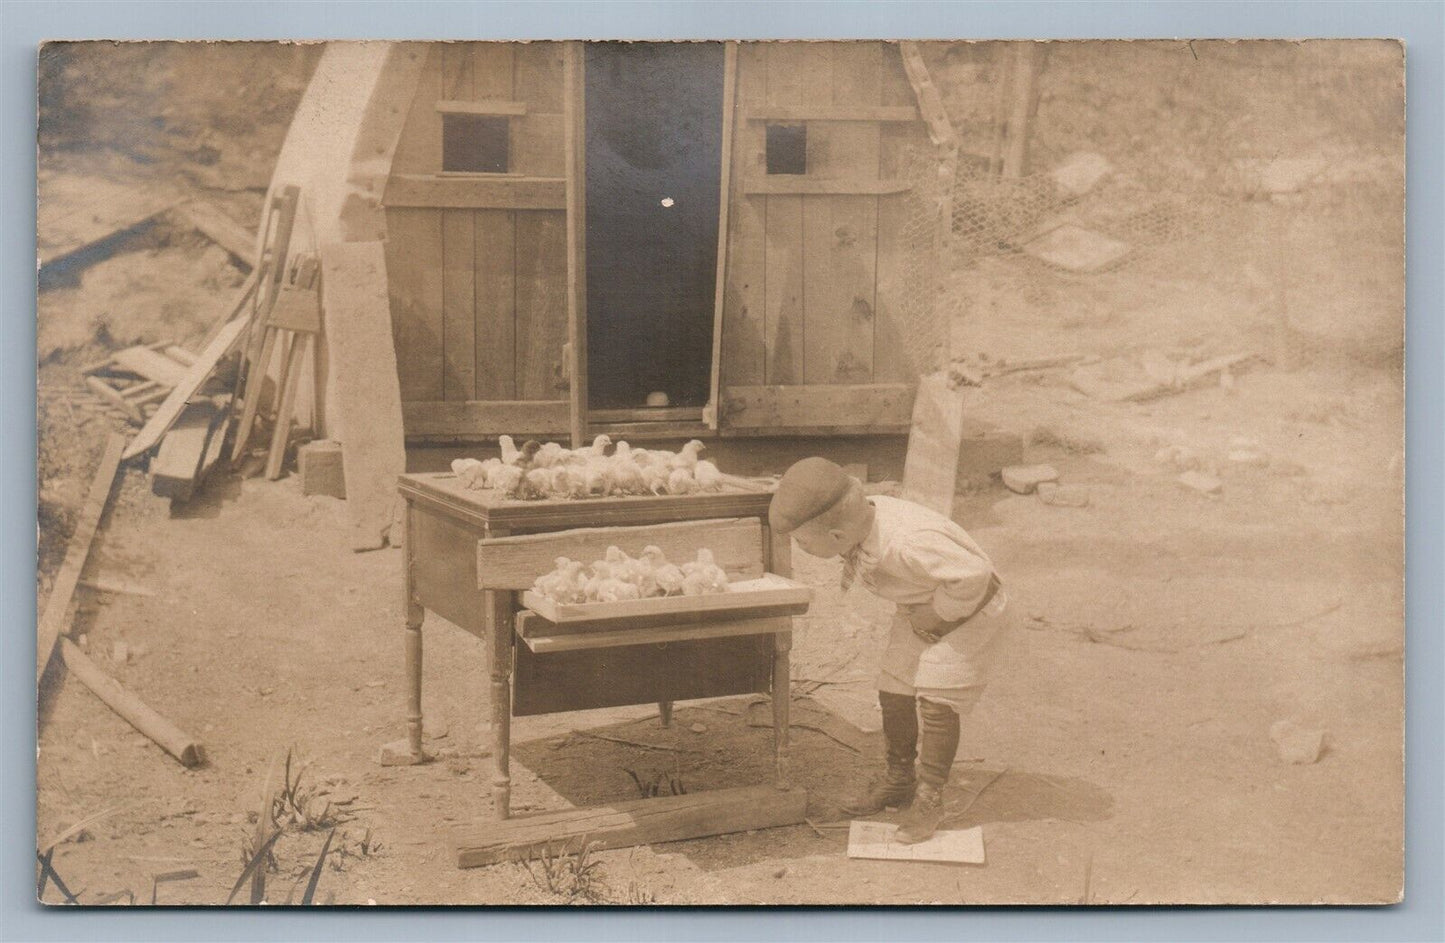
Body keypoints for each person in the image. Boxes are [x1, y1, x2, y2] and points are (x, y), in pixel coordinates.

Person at [769, 457, 1013, 843]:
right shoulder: (862, 525)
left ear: (835, 537)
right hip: (924, 602)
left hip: (971, 608)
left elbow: (975, 576)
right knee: (894, 686)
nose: (799, 548)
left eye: (802, 542)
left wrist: (939, 614)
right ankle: (900, 778)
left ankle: (930, 798)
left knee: (937, 698)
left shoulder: (909, 541)